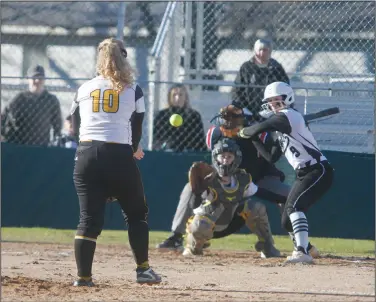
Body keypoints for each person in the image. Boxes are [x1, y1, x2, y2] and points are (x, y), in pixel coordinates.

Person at [70, 37, 161, 286]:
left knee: (88, 221)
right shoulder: (134, 89)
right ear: (123, 57)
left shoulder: (84, 88)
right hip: (119, 155)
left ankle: (83, 278)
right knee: (136, 213)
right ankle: (143, 270)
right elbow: (138, 127)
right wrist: (133, 148)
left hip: (86, 154)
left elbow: (73, 127)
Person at [156, 107, 288, 258]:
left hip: (257, 179)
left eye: (233, 118)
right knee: (194, 200)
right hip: (218, 201)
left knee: (267, 204)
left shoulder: (258, 134)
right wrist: (200, 191)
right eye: (225, 118)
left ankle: (297, 245)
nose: (228, 122)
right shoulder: (215, 136)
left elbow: (270, 161)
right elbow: (196, 202)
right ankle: (178, 237)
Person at [238, 81, 334, 263]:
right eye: (271, 101)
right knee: (286, 221)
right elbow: (271, 157)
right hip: (303, 173)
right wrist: (253, 138)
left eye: (278, 100)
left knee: (293, 207)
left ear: (287, 98)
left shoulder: (288, 115)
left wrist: (246, 130)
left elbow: (261, 127)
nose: (274, 104)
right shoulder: (281, 126)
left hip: (317, 170)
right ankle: (309, 249)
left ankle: (302, 251)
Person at [182, 138, 280, 257]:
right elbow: (194, 206)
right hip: (208, 226)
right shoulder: (208, 179)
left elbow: (260, 192)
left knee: (257, 208)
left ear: (236, 159)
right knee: (200, 224)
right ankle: (193, 247)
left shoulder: (242, 178)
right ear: (215, 158)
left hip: (230, 224)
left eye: (229, 156)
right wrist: (197, 192)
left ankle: (267, 246)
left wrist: (283, 200)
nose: (225, 160)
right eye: (222, 156)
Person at [1, 65, 62, 146]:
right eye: (34, 78)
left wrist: (56, 142)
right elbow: (4, 114)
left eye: (40, 78)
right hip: (20, 144)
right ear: (28, 79)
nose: (37, 81)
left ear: (44, 80)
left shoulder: (51, 100)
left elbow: (57, 124)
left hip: (42, 145)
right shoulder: (20, 98)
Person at [231, 38, 289, 120]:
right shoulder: (247, 67)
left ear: (270, 51)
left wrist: (275, 107)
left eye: (265, 50)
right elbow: (236, 90)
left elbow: (285, 88)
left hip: (271, 109)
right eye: (260, 50)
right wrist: (242, 107)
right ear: (255, 51)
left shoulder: (276, 68)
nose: (262, 53)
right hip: (248, 109)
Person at [152, 84, 206, 152]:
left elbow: (200, 140)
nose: (177, 98)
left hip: (189, 152)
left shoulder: (194, 115)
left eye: (180, 95)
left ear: (185, 97)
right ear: (169, 98)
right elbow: (156, 140)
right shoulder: (161, 115)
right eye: (174, 95)